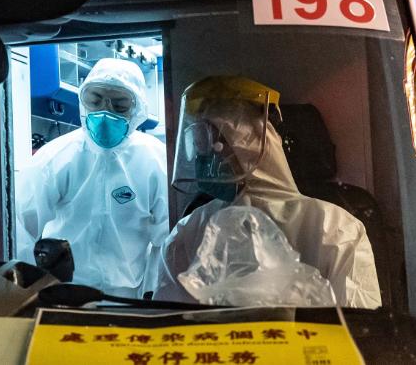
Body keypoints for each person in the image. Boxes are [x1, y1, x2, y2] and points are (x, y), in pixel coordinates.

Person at [152, 76, 382, 309]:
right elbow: (166, 321)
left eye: (214, 145)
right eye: (199, 145)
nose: (205, 159)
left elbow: (358, 327)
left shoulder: (334, 227)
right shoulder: (188, 230)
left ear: (247, 146)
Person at [16, 58, 168, 292]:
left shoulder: (154, 159)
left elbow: (166, 237)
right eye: (95, 101)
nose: (105, 113)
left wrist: (155, 294)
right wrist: (31, 288)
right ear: (83, 101)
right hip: (64, 290)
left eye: (119, 105)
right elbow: (22, 226)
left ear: (138, 108)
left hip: (128, 295)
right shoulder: (56, 157)